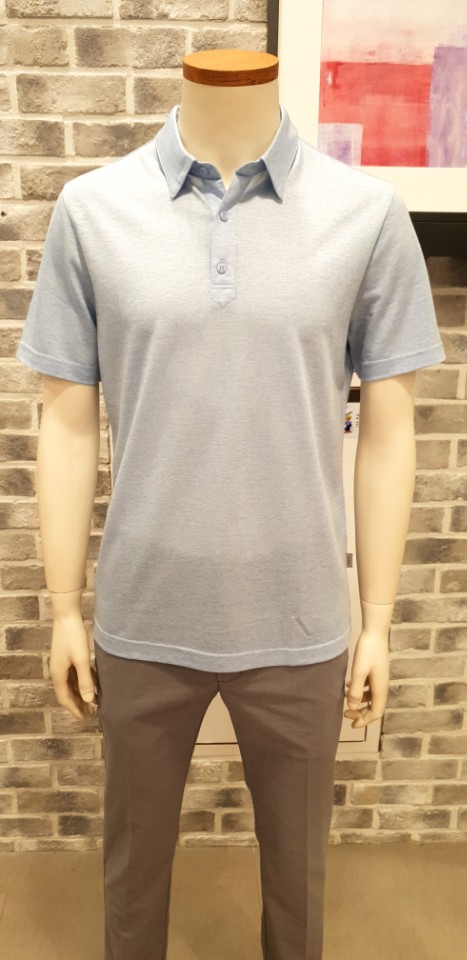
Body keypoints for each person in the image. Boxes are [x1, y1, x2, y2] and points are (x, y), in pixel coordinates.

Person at [15, 48, 445, 960]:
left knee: (297, 882)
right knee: (132, 875)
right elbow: (66, 421)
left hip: (298, 618)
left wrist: (375, 621)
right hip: (143, 614)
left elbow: (389, 429)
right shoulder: (93, 210)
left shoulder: (365, 214)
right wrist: (63, 607)